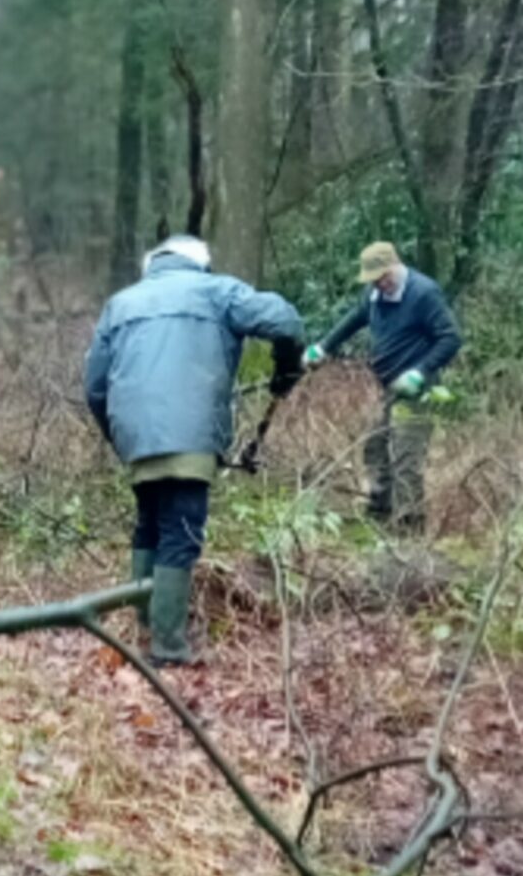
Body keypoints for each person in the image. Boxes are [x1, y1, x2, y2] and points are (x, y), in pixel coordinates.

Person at [83, 234, 304, 665]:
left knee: (149, 526)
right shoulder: (217, 290)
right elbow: (286, 321)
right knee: (180, 534)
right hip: (190, 433)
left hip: (137, 438)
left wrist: (122, 436)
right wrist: (287, 368)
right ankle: (168, 648)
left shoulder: (121, 304)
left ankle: (145, 631)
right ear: (199, 263)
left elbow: (94, 387)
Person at [302, 241, 464, 532]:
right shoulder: (375, 294)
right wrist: (323, 346)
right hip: (384, 385)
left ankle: (409, 530)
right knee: (375, 448)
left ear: (394, 266)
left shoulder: (423, 294)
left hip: (418, 390)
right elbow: (355, 317)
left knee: (406, 457)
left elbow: (450, 338)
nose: (379, 285)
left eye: (383, 278)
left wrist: (419, 372)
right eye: (374, 280)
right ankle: (380, 516)